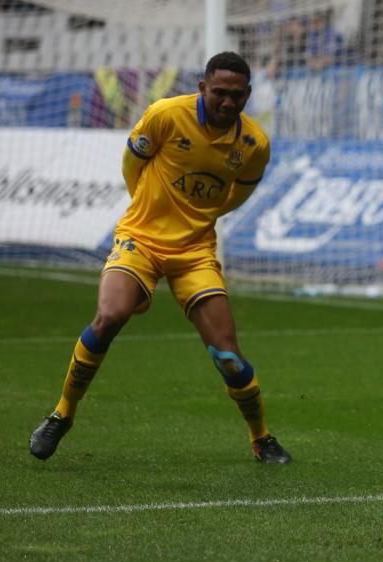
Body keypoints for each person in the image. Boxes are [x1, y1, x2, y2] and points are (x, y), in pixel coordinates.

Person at [28, 52, 292, 465]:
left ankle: (261, 438)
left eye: (236, 96)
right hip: (141, 240)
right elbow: (132, 166)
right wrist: (150, 211)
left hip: (194, 253)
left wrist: (193, 221)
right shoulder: (165, 115)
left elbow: (235, 196)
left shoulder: (254, 144)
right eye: (219, 92)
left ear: (248, 95)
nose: (227, 102)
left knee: (227, 355)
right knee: (109, 316)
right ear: (203, 87)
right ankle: (62, 414)